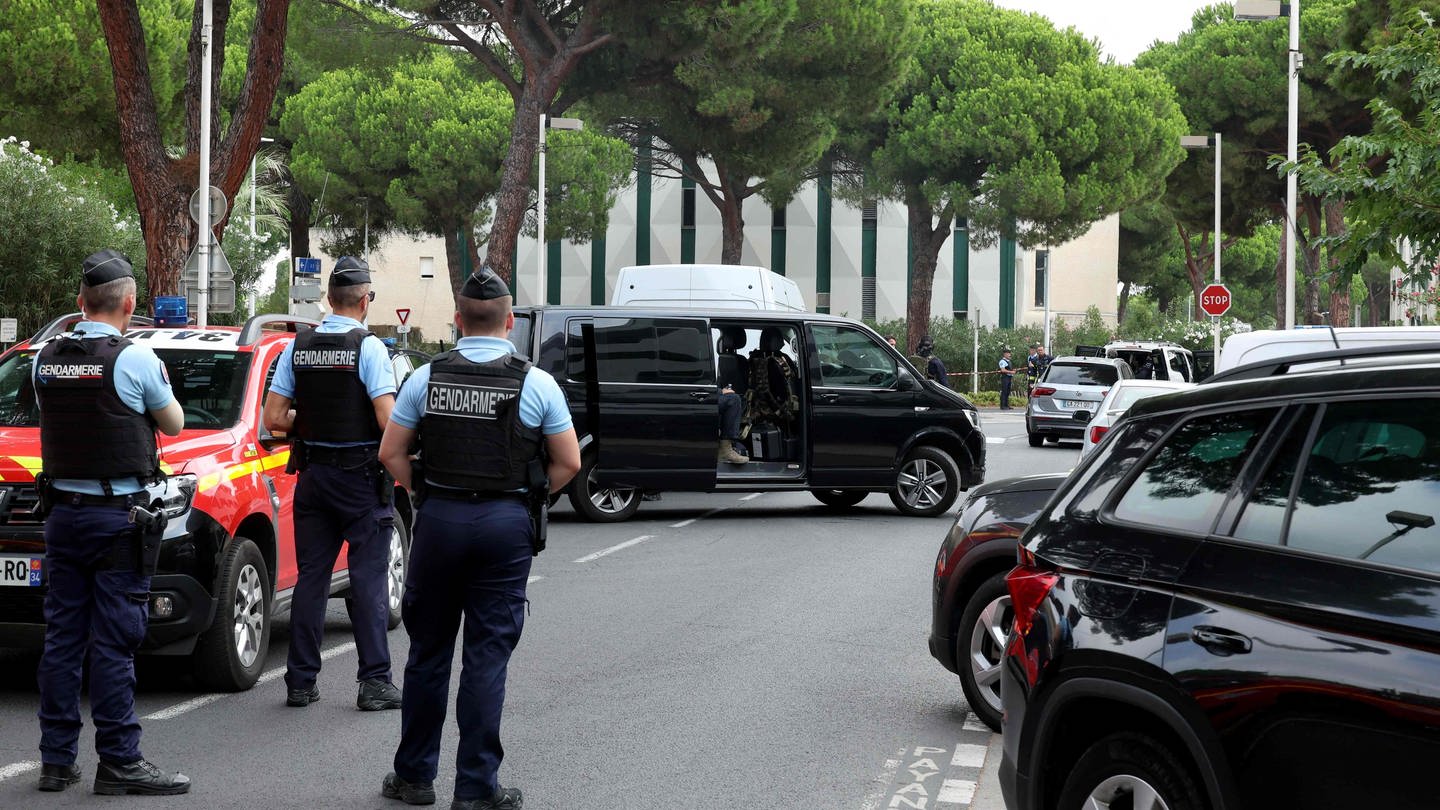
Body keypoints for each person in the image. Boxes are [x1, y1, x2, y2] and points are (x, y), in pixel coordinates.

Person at [378, 267, 580, 810]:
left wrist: (427, 489)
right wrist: (527, 495)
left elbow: (391, 453)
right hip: (504, 524)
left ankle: (415, 777)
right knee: (487, 656)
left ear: (457, 320)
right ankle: (475, 789)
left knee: (427, 654)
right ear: (510, 322)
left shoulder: (425, 378)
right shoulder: (536, 382)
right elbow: (568, 462)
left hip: (440, 520)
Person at [33, 249, 190, 795]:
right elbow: (173, 423)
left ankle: (56, 761)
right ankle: (119, 760)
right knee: (115, 640)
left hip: (60, 516)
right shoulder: (134, 359)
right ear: (129, 304)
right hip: (116, 519)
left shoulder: (43, 357)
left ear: (80, 302)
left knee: (63, 637)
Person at [262, 256, 402, 712]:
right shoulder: (370, 349)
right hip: (360, 479)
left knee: (312, 581)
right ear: (364, 300)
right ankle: (374, 682)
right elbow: (387, 421)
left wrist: (314, 419)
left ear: (328, 299)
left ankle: (300, 682)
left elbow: (275, 418)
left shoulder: (297, 347)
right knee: (366, 581)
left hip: (313, 478)